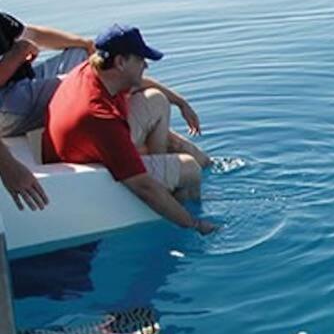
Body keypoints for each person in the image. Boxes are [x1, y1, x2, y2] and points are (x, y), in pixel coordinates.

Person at [43, 24, 217, 234]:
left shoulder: (94, 69)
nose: (146, 65)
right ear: (120, 62)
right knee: (190, 169)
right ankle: (179, 205)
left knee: (156, 100)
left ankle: (170, 175)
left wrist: (181, 103)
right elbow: (142, 186)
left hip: (89, 141)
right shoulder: (100, 117)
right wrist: (195, 225)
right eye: (140, 59)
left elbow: (139, 82)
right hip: (86, 164)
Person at [0, 0, 95, 210]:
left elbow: (36, 35)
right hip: (7, 106)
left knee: (80, 56)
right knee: (86, 81)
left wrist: (86, 44)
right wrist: (16, 55)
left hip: (19, 88)